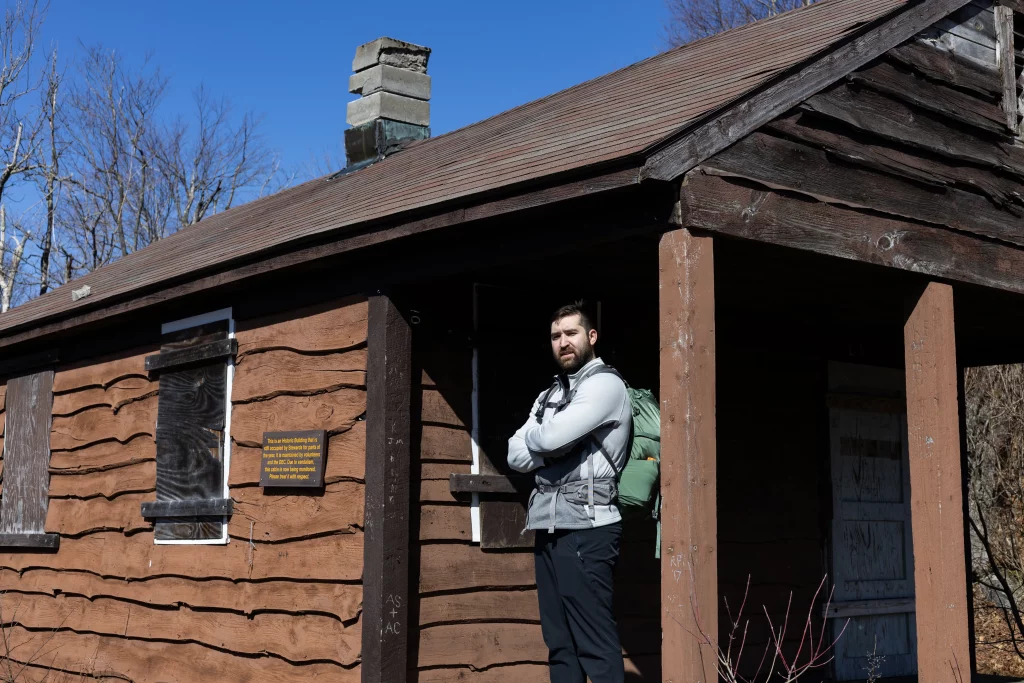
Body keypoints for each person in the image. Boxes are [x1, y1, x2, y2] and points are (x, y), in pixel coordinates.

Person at [507, 301, 631, 683]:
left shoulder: (606, 385)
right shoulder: (549, 394)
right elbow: (514, 454)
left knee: (595, 644)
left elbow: (551, 436)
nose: (563, 342)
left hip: (589, 527)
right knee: (560, 647)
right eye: (556, 336)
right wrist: (543, 442)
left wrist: (541, 439)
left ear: (591, 337)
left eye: (571, 333)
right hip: (548, 526)